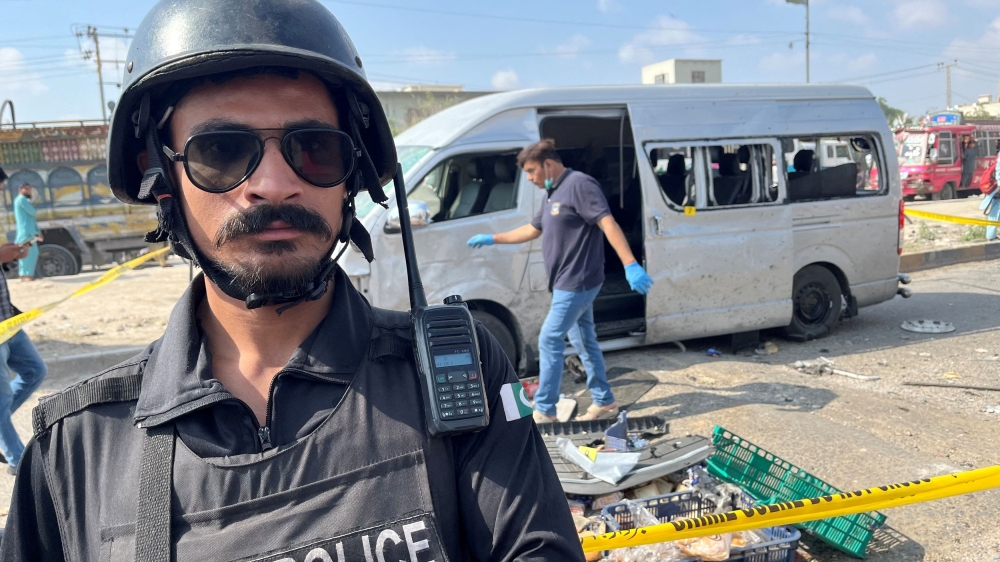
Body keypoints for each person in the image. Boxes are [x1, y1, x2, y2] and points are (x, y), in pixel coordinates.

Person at [0, 1, 583, 560]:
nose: (274, 185)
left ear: (352, 174)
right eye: (221, 151)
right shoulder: (74, 446)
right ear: (160, 177)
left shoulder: (459, 371)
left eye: (316, 148)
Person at [467, 140, 654, 423]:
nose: (529, 178)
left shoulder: (580, 185)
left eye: (531, 171)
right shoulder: (552, 192)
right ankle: (604, 401)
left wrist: (630, 264)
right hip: (565, 281)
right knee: (584, 341)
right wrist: (493, 238)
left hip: (578, 280)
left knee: (549, 339)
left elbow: (607, 223)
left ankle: (546, 409)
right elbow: (533, 229)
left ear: (549, 164)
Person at [0, 241, 47, 476]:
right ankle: (17, 462)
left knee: (35, 371)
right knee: (2, 399)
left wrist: (10, 258)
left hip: (8, 323)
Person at [13, 183, 41, 281]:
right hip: (26, 233)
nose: (29, 191)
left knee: (28, 252)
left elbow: (31, 218)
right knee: (29, 253)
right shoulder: (21, 200)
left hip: (29, 232)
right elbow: (33, 212)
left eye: (30, 189)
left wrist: (37, 232)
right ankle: (27, 276)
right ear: (20, 189)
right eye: (26, 189)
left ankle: (24, 275)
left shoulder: (23, 200)